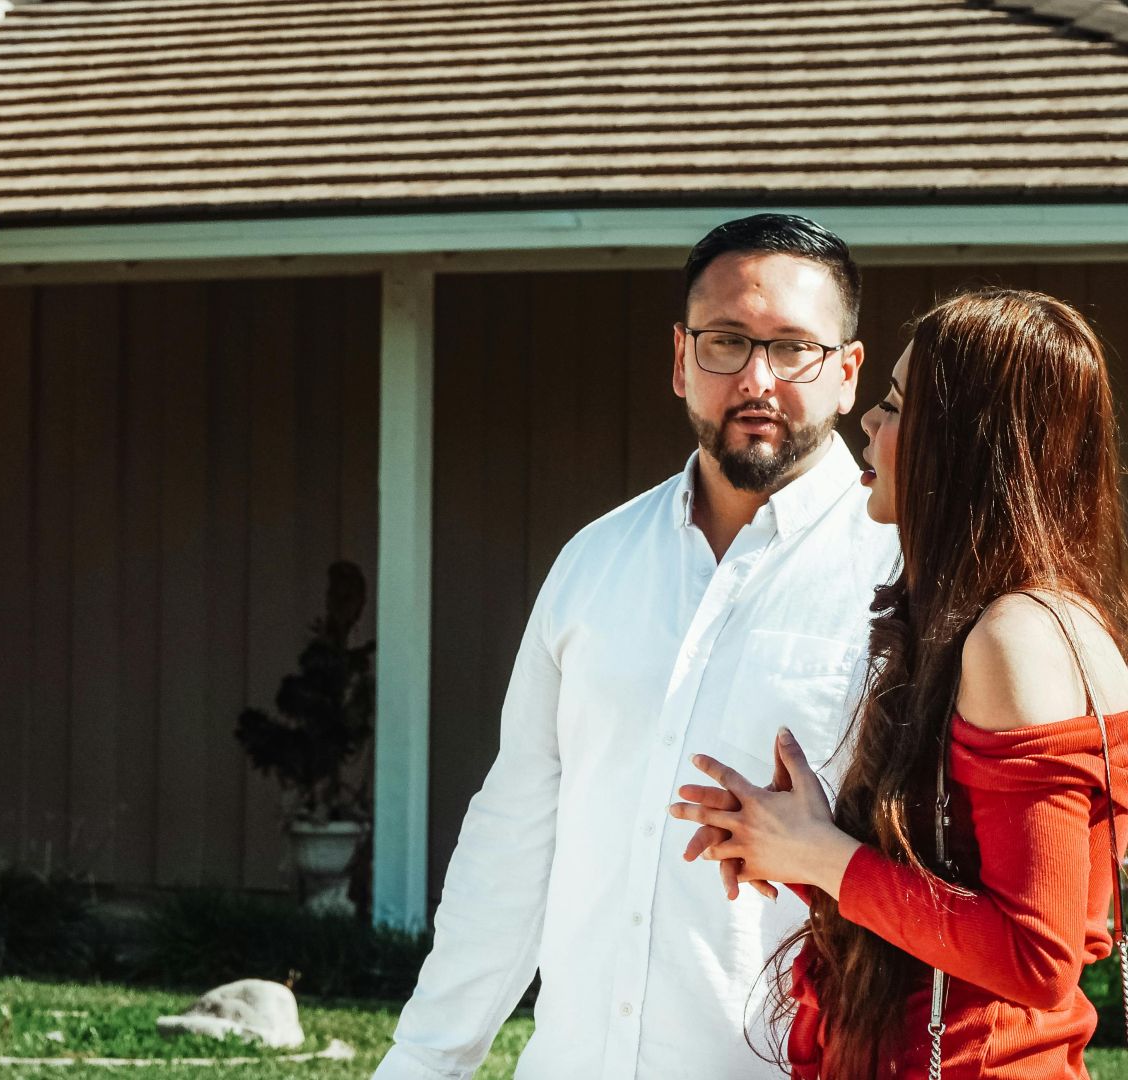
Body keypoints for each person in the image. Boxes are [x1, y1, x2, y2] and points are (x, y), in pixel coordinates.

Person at [374, 213, 901, 1080]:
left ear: (847, 372)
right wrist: (424, 1063)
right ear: (680, 360)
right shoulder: (594, 562)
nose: (757, 379)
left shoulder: (907, 575)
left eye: (794, 348)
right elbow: (515, 833)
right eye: (725, 342)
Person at [672, 288, 1128, 1078]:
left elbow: (1036, 958)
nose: (869, 427)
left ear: (964, 440)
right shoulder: (998, 618)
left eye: (892, 404)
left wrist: (825, 858)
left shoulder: (1019, 637)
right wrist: (793, 845)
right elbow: (949, 900)